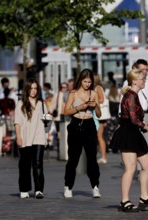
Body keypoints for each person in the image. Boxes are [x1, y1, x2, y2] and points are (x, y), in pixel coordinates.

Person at [112, 69, 148, 212]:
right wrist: (146, 126)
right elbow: (134, 119)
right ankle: (124, 201)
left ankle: (144, 197)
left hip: (133, 133)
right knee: (130, 168)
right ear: (134, 81)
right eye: (142, 79)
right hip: (128, 133)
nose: (144, 81)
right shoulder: (130, 95)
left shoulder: (134, 94)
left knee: (147, 164)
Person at [63, 69, 101, 198]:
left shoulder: (94, 93)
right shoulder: (73, 93)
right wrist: (79, 107)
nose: (87, 84)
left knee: (92, 158)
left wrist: (96, 106)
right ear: (80, 80)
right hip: (76, 125)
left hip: (90, 125)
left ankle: (95, 186)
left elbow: (99, 115)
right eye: (85, 81)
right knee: (73, 158)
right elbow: (66, 112)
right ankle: (68, 186)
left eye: (89, 82)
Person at [122, 59, 148, 176]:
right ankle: (140, 169)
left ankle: (141, 169)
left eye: (146, 69)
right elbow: (123, 102)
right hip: (134, 117)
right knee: (137, 144)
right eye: (142, 69)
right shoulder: (129, 83)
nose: (145, 71)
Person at [14, 78, 48, 199]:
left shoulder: (41, 103)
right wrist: (18, 136)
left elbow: (46, 118)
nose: (33, 91)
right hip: (25, 136)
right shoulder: (20, 103)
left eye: (35, 89)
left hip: (39, 136)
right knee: (25, 165)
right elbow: (17, 122)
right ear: (27, 89)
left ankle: (39, 189)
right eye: (31, 88)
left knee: (38, 164)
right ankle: (24, 189)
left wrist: (48, 118)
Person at [94, 73, 109, 164]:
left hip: (100, 115)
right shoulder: (98, 87)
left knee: (99, 136)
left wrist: (92, 100)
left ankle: (103, 157)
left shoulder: (98, 87)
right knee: (98, 136)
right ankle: (102, 156)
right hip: (99, 114)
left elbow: (102, 99)